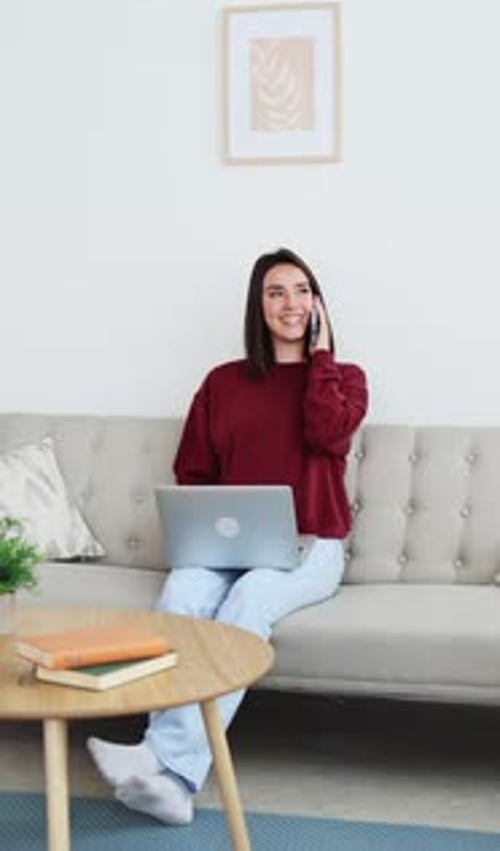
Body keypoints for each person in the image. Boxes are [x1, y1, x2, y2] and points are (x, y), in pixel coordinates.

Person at [87, 247, 368, 826]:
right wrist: (202, 531)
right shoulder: (222, 382)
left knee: (249, 602)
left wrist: (319, 357)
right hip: (225, 547)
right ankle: (173, 785)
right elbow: (192, 472)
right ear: (257, 305)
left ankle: (168, 763)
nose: (289, 303)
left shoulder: (344, 380)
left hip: (311, 547)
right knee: (181, 598)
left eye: (301, 291)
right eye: (275, 292)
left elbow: (327, 434)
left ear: (318, 304)